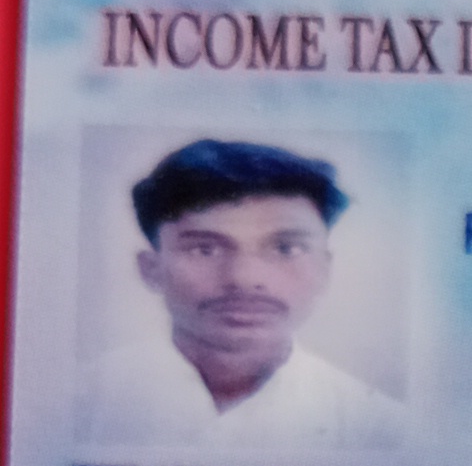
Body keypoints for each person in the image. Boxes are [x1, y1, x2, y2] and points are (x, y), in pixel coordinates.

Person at [93, 139, 400, 441]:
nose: (244, 278)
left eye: (285, 248)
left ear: (324, 270)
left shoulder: (382, 430)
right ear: (150, 269)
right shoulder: (81, 403)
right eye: (205, 249)